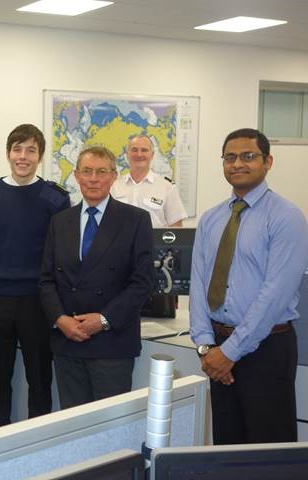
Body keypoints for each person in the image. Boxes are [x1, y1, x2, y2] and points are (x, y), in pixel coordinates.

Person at [189, 128, 308, 445]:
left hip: (267, 347)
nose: (237, 163)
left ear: (268, 161)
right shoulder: (211, 219)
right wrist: (206, 346)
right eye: (230, 157)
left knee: (267, 450)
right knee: (228, 444)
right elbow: (199, 284)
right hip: (217, 346)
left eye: (248, 156)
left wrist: (230, 352)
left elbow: (275, 294)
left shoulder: (286, 217)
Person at [39, 145, 154, 408]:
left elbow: (143, 282)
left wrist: (103, 320)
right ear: (76, 176)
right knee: (75, 423)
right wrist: (60, 319)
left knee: (110, 427)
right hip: (68, 341)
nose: (94, 178)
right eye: (87, 171)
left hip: (112, 342)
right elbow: (46, 279)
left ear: (114, 176)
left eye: (101, 171)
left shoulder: (135, 219)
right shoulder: (60, 221)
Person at [0, 124, 70, 429]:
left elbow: (59, 253)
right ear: (7, 153)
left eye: (31, 150)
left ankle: (37, 435)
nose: (23, 156)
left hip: (37, 300)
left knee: (39, 375)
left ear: (40, 156)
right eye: (17, 149)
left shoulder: (55, 198)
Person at [111, 134, 187, 227]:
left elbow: (176, 226)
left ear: (152, 155)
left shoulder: (167, 187)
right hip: (122, 241)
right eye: (134, 150)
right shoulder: (114, 186)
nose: (139, 154)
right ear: (127, 155)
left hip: (154, 241)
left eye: (144, 150)